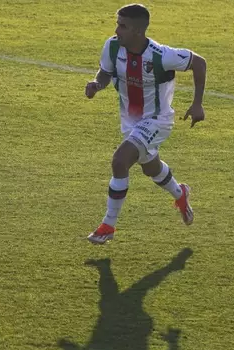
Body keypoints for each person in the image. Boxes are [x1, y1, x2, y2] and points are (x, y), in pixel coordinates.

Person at [86, 3, 207, 244]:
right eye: (117, 23)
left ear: (138, 31)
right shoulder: (112, 47)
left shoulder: (162, 55)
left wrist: (197, 104)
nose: (116, 29)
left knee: (120, 160)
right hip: (130, 121)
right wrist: (97, 85)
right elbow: (105, 73)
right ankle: (180, 193)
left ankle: (107, 226)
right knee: (150, 167)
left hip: (157, 120)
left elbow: (199, 62)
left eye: (123, 26)